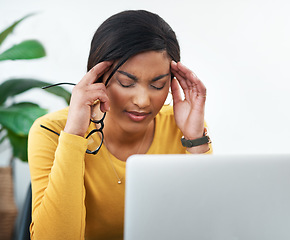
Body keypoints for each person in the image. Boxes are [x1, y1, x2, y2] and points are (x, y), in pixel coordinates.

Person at [28, 10, 212, 239]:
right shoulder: (51, 132)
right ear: (97, 78)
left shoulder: (183, 129)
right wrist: (74, 134)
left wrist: (196, 142)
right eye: (126, 83)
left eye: (157, 85)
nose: (143, 101)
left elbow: (209, 228)